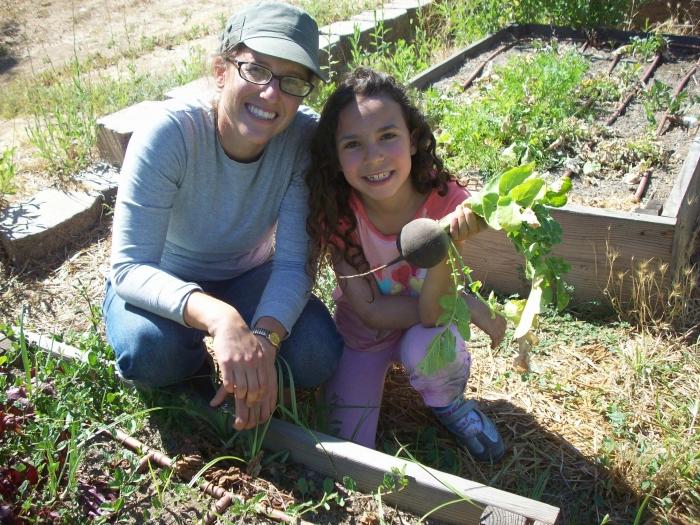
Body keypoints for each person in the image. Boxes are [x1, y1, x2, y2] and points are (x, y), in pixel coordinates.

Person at [103, 2, 343, 432]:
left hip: (249, 273)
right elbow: (129, 266)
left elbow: (292, 264)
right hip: (165, 274)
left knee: (315, 354)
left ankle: (239, 360)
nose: (271, 94)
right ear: (220, 70)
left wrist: (266, 341)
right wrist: (220, 319)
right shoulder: (170, 134)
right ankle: (195, 362)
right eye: (256, 70)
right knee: (151, 353)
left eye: (292, 80)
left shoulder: (302, 141)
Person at [306, 67, 506, 462]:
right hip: (364, 332)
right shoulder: (339, 212)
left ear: (413, 140)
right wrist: (463, 304)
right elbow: (369, 310)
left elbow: (433, 315)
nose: (374, 156)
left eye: (387, 136)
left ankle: (448, 403)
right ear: (336, 155)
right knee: (346, 451)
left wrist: (451, 246)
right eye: (353, 144)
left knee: (431, 352)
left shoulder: (447, 203)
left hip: (425, 323)